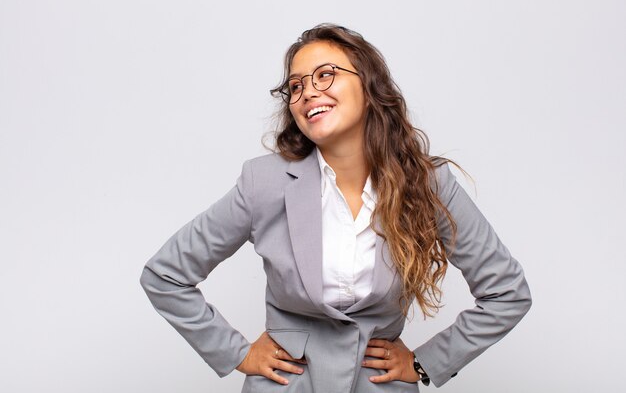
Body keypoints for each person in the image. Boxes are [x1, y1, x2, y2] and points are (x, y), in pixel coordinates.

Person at [140, 23, 532, 392]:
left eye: (325, 75)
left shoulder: (429, 184)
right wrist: (237, 353)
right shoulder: (265, 182)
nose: (308, 92)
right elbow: (166, 274)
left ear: (368, 85)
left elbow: (507, 292)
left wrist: (425, 362)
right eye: (295, 86)